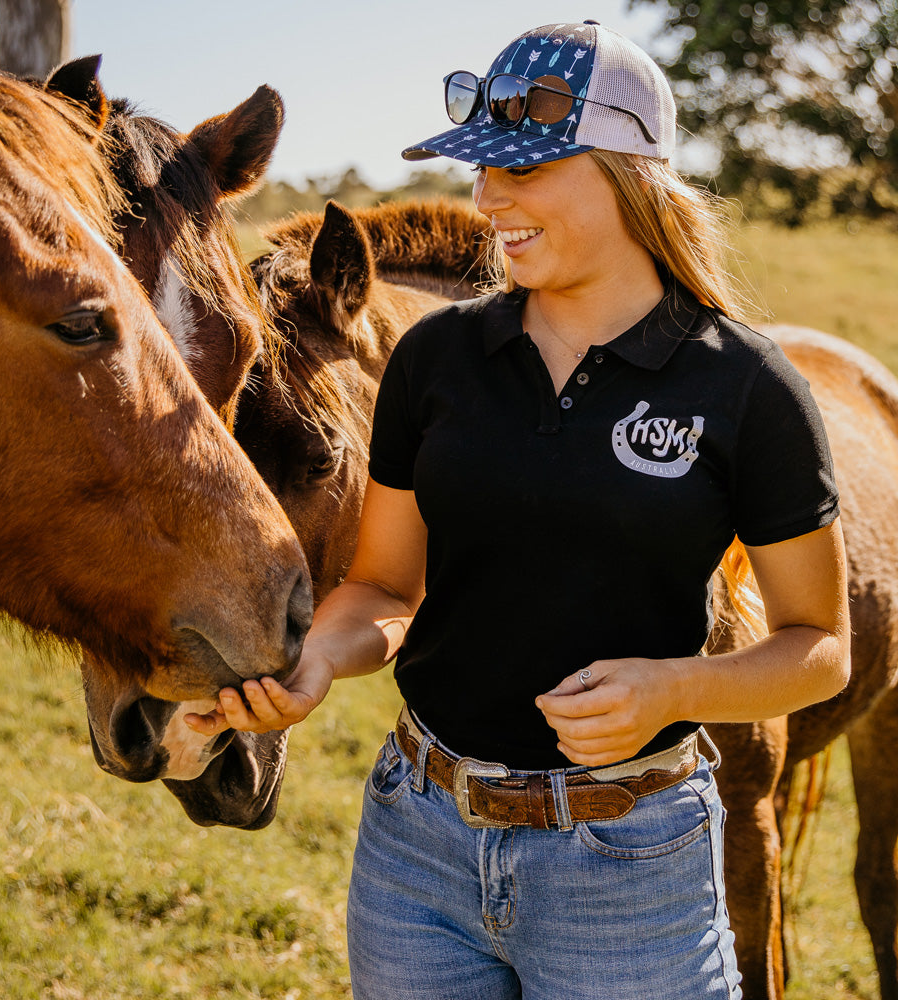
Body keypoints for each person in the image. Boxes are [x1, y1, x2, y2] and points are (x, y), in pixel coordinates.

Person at [187, 19, 850, 999]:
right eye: (481, 171)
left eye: (525, 170)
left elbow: (818, 644)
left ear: (629, 171)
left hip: (629, 866)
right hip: (419, 848)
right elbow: (382, 584)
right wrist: (319, 655)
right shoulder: (435, 359)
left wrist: (673, 691)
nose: (488, 198)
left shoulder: (747, 388)